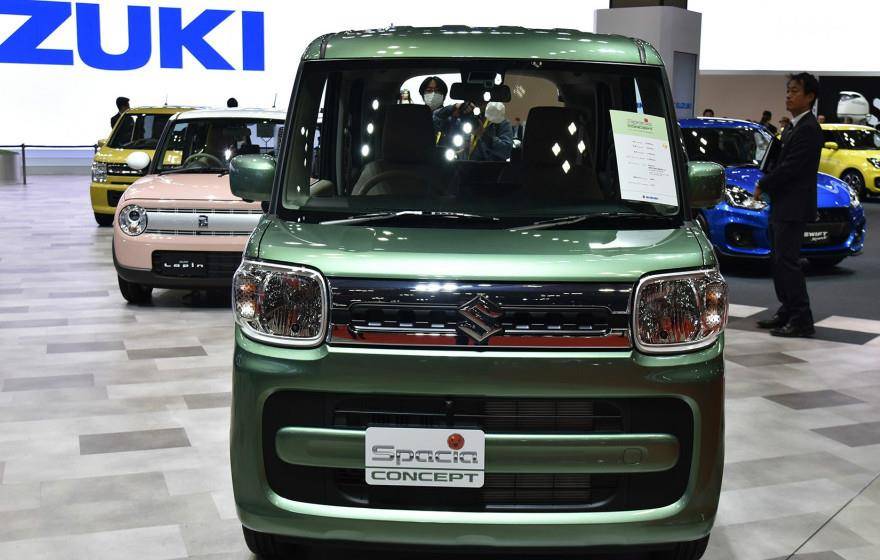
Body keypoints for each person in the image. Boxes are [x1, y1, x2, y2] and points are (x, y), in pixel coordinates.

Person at [754, 72, 822, 338]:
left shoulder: (809, 129)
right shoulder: (794, 126)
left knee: (788, 262)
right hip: (783, 203)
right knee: (779, 261)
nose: (789, 96)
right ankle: (788, 309)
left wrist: (764, 183)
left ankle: (802, 319)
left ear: (810, 97)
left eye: (795, 91)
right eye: (788, 90)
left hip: (794, 205)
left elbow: (791, 168)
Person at [433, 100, 513, 162]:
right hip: (461, 171)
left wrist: (484, 135)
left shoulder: (499, 122)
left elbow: (507, 151)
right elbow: (432, 121)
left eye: (483, 102)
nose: (478, 105)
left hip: (489, 173)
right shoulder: (460, 119)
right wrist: (452, 108)